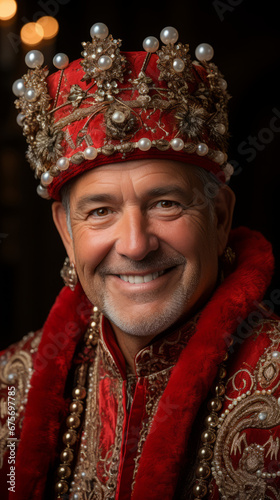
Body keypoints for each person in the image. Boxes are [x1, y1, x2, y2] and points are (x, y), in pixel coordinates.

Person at [1, 22, 280, 500]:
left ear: (218, 216)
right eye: (101, 211)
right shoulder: (9, 389)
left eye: (165, 203)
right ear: (66, 232)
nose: (135, 244)